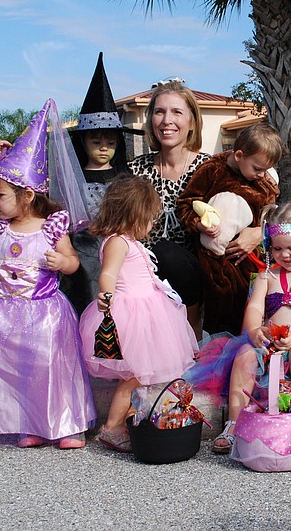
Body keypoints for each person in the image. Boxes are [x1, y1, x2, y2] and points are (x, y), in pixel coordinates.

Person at [0, 100, 96, 449]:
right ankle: (26, 422)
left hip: (43, 312)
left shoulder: (52, 225)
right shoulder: (0, 226)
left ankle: (64, 426)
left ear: (27, 195)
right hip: (1, 313)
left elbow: (73, 261)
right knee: (12, 371)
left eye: (1, 195)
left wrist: (63, 263)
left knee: (49, 370)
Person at [183, 203, 291, 454]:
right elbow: (255, 309)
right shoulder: (266, 277)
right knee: (244, 355)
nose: (285, 254)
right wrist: (253, 331)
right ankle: (234, 424)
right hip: (268, 344)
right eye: (278, 248)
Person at [78, 175, 198, 452]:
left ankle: (132, 416)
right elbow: (108, 273)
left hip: (149, 310)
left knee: (142, 374)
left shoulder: (129, 241)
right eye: (149, 218)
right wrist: (106, 296)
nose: (152, 224)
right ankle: (113, 426)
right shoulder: (118, 242)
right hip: (133, 312)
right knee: (133, 375)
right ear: (133, 215)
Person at [177, 123, 282, 334]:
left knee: (244, 304)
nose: (262, 175)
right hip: (211, 256)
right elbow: (185, 204)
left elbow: (272, 216)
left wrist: (260, 232)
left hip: (246, 257)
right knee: (217, 302)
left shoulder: (264, 183)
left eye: (266, 170)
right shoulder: (212, 170)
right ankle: (215, 347)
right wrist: (199, 225)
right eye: (257, 169)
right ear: (240, 155)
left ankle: (242, 345)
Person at [128, 79, 214, 337]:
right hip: (145, 271)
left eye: (177, 112)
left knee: (168, 252)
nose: (167, 120)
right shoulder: (136, 169)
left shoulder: (210, 168)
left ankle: (192, 334)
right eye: (159, 111)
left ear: (192, 122)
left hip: (197, 269)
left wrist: (255, 233)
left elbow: (248, 206)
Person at [60, 52, 143, 313]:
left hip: (116, 251)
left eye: (110, 142)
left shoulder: (124, 179)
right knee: (81, 300)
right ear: (83, 142)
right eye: (96, 142)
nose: (104, 148)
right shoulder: (73, 178)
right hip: (79, 253)